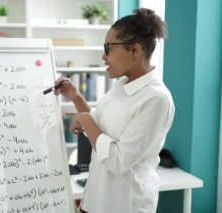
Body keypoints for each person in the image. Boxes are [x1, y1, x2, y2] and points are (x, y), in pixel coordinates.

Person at [55, 8, 175, 213]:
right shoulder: (122, 85)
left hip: (123, 205)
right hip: (94, 199)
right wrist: (75, 96)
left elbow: (118, 160)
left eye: (108, 48)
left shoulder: (157, 99)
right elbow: (100, 126)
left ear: (135, 50)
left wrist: (84, 119)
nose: (103, 56)